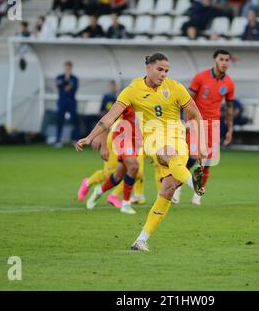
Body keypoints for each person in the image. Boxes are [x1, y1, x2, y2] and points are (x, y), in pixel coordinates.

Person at [76, 53, 207, 251]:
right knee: (167, 154)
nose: (163, 74)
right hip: (152, 141)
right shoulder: (132, 90)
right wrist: (90, 136)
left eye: (166, 71)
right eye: (159, 69)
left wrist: (201, 144)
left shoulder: (176, 88)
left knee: (168, 191)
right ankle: (193, 182)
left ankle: (141, 239)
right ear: (148, 68)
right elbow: (110, 117)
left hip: (179, 141)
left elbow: (196, 114)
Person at [173, 49, 235, 206]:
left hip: (213, 126)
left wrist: (230, 129)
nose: (224, 63)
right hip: (196, 123)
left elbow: (228, 107)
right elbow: (187, 101)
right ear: (215, 60)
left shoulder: (229, 83)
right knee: (191, 158)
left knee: (207, 161)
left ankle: (197, 195)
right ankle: (176, 188)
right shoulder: (200, 77)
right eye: (222, 59)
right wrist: (187, 121)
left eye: (227, 60)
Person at [55, 61, 80, 147]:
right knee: (59, 120)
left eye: (69, 68)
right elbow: (59, 85)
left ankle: (75, 140)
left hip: (71, 102)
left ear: (71, 68)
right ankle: (58, 140)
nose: (67, 70)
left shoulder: (74, 78)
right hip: (62, 102)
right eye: (66, 68)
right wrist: (67, 85)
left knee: (74, 120)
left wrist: (67, 85)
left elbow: (73, 88)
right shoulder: (60, 77)